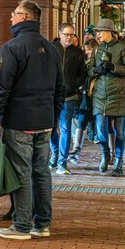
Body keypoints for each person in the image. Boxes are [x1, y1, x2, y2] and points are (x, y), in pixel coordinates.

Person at [0, 0, 64, 240]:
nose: (10, 17)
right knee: (41, 172)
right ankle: (42, 224)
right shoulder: (52, 49)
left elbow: (1, 87)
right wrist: (54, 116)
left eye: (14, 13)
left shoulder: (12, 48)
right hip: (45, 120)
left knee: (22, 172)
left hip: (20, 120)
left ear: (23, 17)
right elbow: (60, 88)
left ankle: (21, 225)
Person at [87, 19, 125, 176]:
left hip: (120, 94)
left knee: (119, 132)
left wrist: (113, 67)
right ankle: (105, 153)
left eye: (100, 31)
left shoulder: (122, 48)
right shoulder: (96, 49)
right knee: (100, 131)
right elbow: (89, 70)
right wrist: (97, 70)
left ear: (109, 32)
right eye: (97, 32)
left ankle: (119, 162)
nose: (98, 35)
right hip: (100, 95)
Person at [49, 23, 87, 175]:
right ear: (60, 34)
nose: (69, 37)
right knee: (51, 129)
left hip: (69, 96)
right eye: (66, 34)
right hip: (51, 96)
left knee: (65, 129)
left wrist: (74, 85)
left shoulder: (77, 52)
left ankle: (62, 163)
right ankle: (55, 153)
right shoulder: (51, 49)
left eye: (71, 35)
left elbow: (82, 73)